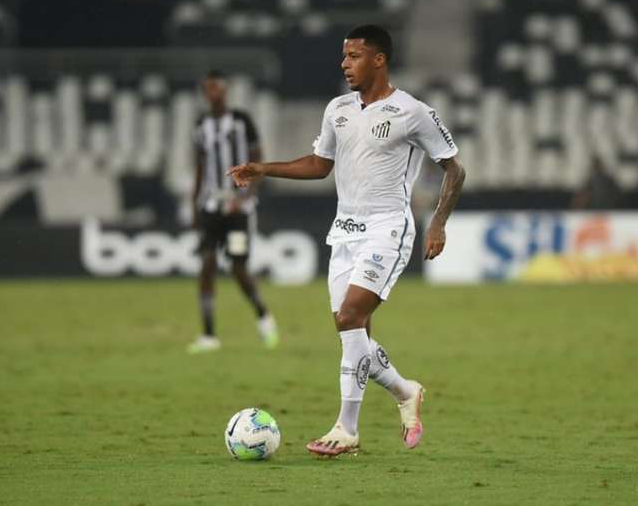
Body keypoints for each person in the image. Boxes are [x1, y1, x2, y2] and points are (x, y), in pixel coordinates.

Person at [227, 24, 466, 456]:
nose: (344, 63)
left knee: (350, 317)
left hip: (388, 229)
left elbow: (455, 169)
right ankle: (405, 391)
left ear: (379, 59)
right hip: (346, 232)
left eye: (354, 55)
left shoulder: (412, 112)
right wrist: (263, 168)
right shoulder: (337, 108)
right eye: (344, 56)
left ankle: (347, 429)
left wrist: (438, 223)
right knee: (355, 338)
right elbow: (320, 165)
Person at [187, 69, 278, 353]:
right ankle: (209, 334)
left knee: (238, 267)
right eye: (207, 89)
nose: (212, 93)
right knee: (207, 264)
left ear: (224, 90)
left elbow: (258, 161)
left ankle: (263, 316)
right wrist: (195, 205)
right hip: (211, 208)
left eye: (216, 88)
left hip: (238, 210)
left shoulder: (242, 121)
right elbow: (200, 167)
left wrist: (247, 195)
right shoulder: (201, 124)